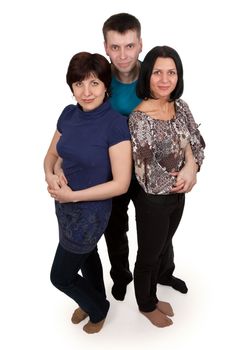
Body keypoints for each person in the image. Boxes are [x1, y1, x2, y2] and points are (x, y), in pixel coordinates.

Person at [102, 13, 198, 301]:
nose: (122, 55)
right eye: (115, 47)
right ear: (105, 46)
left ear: (140, 44)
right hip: (112, 173)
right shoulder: (99, 80)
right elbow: (81, 120)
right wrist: (57, 160)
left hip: (152, 177)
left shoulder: (155, 73)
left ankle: (163, 272)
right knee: (115, 230)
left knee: (160, 232)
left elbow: (181, 126)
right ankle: (121, 277)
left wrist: (192, 163)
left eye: (129, 46)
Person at [43, 52, 132, 334]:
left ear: (106, 86)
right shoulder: (68, 114)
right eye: (79, 84)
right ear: (71, 87)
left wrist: (73, 196)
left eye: (94, 83)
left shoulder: (114, 123)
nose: (86, 91)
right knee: (89, 255)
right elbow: (51, 155)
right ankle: (96, 297)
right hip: (65, 207)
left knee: (60, 276)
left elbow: (121, 184)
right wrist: (52, 173)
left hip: (90, 213)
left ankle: (98, 308)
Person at [128, 45, 205, 327]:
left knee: (165, 244)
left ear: (178, 76)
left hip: (178, 193)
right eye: (157, 72)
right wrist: (184, 177)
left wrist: (191, 168)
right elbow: (146, 171)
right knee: (148, 254)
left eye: (171, 72)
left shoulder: (180, 106)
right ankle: (146, 303)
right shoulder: (139, 118)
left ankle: (163, 278)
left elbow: (196, 143)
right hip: (153, 199)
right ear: (147, 76)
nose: (164, 79)